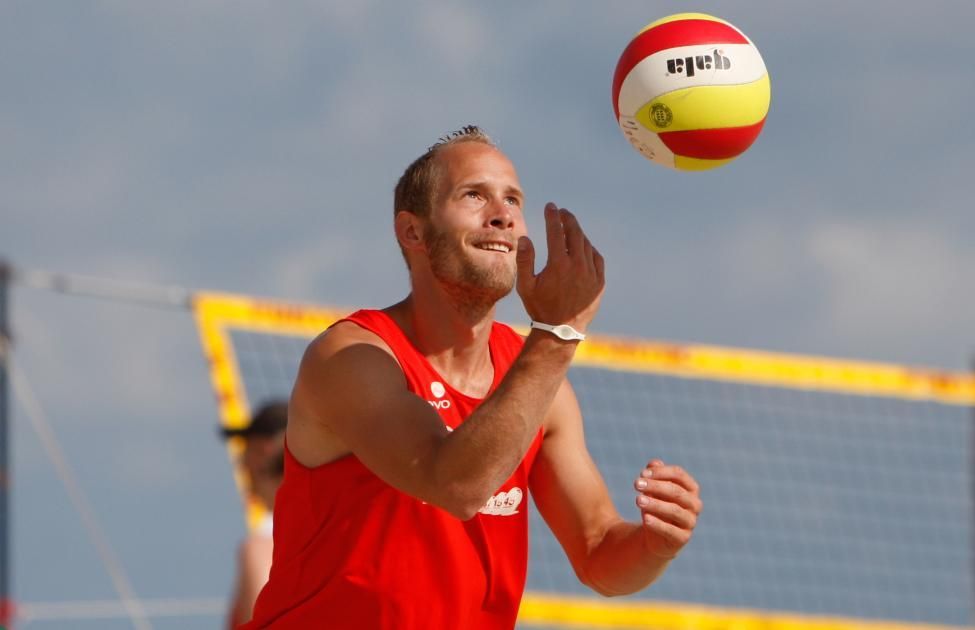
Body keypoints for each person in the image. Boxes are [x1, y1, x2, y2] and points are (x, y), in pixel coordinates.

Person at [244, 126, 703, 629]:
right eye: (474, 195)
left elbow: (598, 554)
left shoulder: (537, 380)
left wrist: (655, 545)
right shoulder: (352, 357)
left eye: (512, 199)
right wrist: (556, 334)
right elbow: (456, 484)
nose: (502, 215)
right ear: (412, 232)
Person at [219, 401, 287, 629]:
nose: (240, 461)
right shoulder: (336, 530)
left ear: (263, 450)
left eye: (246, 448)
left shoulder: (263, 545)